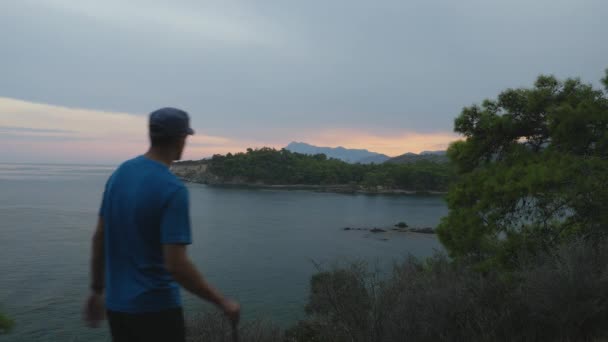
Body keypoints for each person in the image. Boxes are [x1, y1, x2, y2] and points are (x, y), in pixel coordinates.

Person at [84, 107, 240, 341]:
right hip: (156, 310)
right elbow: (176, 265)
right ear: (180, 139)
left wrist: (97, 290)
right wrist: (222, 301)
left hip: (117, 309)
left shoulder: (121, 173)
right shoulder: (172, 188)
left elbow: (99, 237)